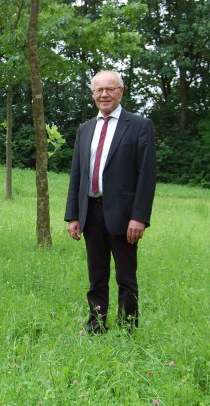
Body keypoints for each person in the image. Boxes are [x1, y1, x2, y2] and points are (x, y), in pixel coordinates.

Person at [64, 70, 157, 334]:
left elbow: (147, 176)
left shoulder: (139, 125)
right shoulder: (85, 129)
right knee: (96, 275)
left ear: (121, 92)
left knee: (126, 277)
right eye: (98, 90)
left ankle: (128, 328)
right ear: (92, 94)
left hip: (125, 216)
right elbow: (77, 175)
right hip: (91, 212)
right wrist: (73, 215)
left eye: (110, 89)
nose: (104, 94)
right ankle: (96, 325)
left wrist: (139, 217)